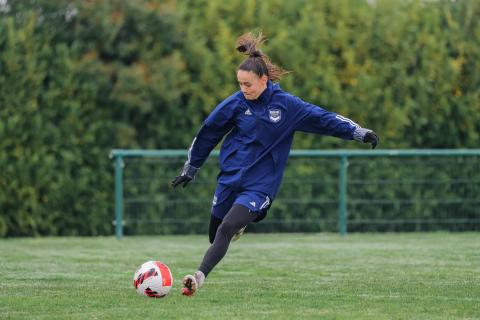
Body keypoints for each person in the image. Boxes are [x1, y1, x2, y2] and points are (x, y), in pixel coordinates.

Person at [171, 32, 379, 296]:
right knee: (215, 234)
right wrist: (191, 168)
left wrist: (358, 132)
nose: (243, 90)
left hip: (261, 185)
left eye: (248, 84)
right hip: (230, 179)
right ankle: (238, 224)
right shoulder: (235, 104)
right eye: (240, 84)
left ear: (264, 80)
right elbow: (207, 133)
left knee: (227, 227)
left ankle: (197, 277)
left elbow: (323, 118)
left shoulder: (287, 106)